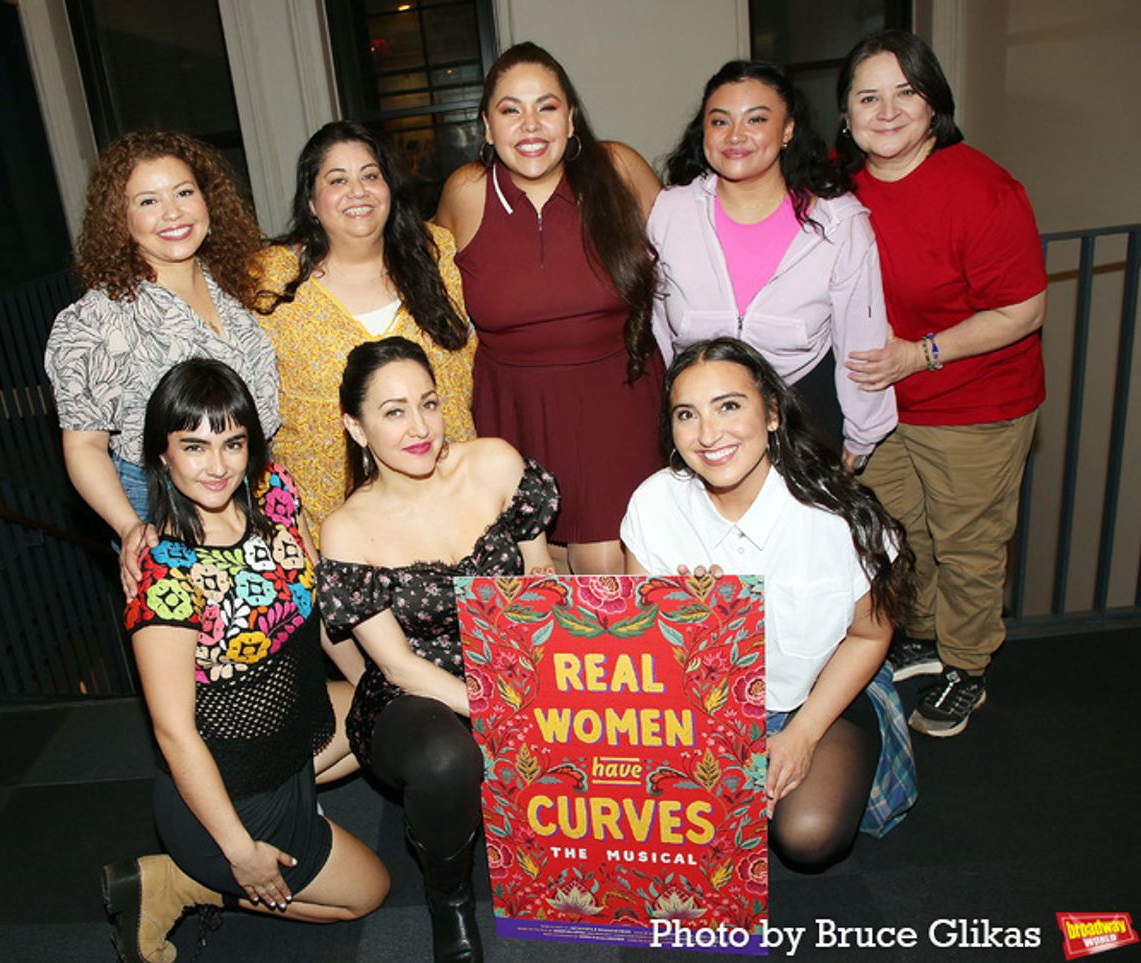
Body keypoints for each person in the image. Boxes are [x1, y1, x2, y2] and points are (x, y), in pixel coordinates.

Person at [105, 359, 387, 963]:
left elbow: (315, 613)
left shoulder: (274, 496)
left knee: (386, 713)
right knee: (370, 892)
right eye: (194, 446)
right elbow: (173, 733)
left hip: (291, 732)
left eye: (232, 443)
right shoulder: (166, 577)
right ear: (161, 455)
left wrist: (380, 684)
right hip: (231, 792)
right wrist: (239, 851)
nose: (217, 466)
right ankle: (187, 882)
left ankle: (293, 803)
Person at [621, 337, 917, 869]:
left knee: (808, 833)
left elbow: (871, 634)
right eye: (687, 414)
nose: (709, 435)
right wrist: (687, 624)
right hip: (699, 702)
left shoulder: (836, 517)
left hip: (816, 694)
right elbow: (643, 648)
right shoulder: (654, 504)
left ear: (773, 413)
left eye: (729, 406)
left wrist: (802, 735)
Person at [316, 337, 559, 961]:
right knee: (446, 760)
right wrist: (501, 709)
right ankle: (448, 900)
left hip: (511, 659)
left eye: (428, 403)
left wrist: (555, 676)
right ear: (356, 426)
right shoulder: (349, 527)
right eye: (394, 411)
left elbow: (540, 585)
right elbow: (395, 663)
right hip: (413, 690)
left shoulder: (494, 464)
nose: (419, 427)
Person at [836, 30, 1047, 737]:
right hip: (882, 406)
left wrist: (920, 354)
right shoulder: (838, 187)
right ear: (845, 113)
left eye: (907, 92)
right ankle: (922, 637)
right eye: (869, 96)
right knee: (898, 534)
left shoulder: (983, 189)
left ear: (935, 105)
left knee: (967, 541)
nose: (887, 111)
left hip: (974, 402)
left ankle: (968, 663)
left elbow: (1023, 308)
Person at [434, 41, 664, 574]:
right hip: (513, 411)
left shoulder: (618, 169)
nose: (530, 125)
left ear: (572, 118)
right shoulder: (467, 192)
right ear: (487, 128)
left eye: (547, 106)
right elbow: (424, 291)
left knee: (612, 571)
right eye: (510, 110)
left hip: (619, 401)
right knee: (539, 581)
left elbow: (700, 250)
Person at [44, 130, 279, 594]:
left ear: (209, 202)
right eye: (148, 201)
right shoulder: (94, 321)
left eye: (184, 192)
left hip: (258, 491)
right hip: (167, 512)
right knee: (215, 661)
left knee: (285, 638)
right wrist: (131, 528)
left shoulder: (232, 286)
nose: (172, 213)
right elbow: (85, 448)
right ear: (120, 219)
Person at [650, 60, 896, 470]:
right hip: (704, 430)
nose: (735, 136)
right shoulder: (671, 211)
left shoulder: (839, 224)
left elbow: (861, 341)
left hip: (805, 416)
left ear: (788, 130)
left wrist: (863, 434)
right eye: (720, 121)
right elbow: (658, 329)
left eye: (756, 119)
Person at [256, 121, 476, 534]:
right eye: (337, 180)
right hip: (333, 526)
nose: (358, 191)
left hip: (450, 509)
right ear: (311, 201)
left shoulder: (438, 256)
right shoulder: (268, 280)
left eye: (370, 176)